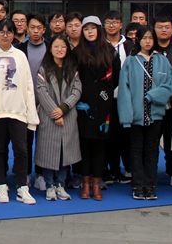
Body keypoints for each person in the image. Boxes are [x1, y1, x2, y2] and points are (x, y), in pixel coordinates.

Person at [0, 19, 39, 205]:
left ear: (14, 34)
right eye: (2, 32)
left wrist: (30, 113)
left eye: (9, 32)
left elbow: (28, 84)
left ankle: (22, 187)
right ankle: (1, 186)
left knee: (21, 150)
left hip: (18, 111)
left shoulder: (20, 56)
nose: (5, 35)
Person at [118, 25, 172, 200]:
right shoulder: (131, 61)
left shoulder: (162, 60)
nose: (147, 41)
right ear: (138, 40)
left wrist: (152, 96)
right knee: (136, 149)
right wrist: (126, 115)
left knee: (151, 149)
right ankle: (138, 185)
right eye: (144, 38)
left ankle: (150, 185)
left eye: (150, 38)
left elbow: (169, 85)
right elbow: (124, 90)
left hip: (155, 114)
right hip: (136, 114)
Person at [73, 16, 119, 201]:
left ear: (99, 29)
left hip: (103, 105)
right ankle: (85, 184)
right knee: (84, 145)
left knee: (100, 146)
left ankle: (97, 184)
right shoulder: (77, 52)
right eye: (86, 29)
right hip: (83, 105)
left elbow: (116, 77)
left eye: (93, 28)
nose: (90, 32)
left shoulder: (110, 51)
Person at [34, 35, 81, 202]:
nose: (59, 50)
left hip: (67, 115)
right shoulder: (44, 69)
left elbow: (77, 91)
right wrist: (55, 112)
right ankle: (49, 185)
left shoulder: (72, 69)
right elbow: (41, 92)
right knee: (48, 152)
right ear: (50, 49)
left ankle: (61, 184)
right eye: (56, 46)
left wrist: (63, 109)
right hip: (49, 117)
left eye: (62, 46)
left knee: (64, 152)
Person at [152, 14, 172, 189]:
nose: (163, 30)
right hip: (152, 103)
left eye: (167, 27)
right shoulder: (148, 47)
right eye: (160, 27)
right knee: (151, 141)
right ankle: (150, 174)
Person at [18, 12, 48, 189]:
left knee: (43, 141)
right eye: (32, 27)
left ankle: (41, 174)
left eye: (39, 28)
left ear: (44, 30)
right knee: (25, 142)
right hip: (25, 102)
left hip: (46, 102)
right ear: (27, 29)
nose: (35, 31)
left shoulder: (50, 47)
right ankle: (26, 174)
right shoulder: (19, 48)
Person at [103, 9, 132, 185]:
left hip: (124, 98)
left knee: (123, 136)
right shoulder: (100, 44)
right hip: (104, 98)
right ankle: (107, 170)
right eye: (108, 22)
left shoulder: (130, 46)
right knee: (107, 136)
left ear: (121, 25)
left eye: (115, 22)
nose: (111, 25)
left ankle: (120, 169)